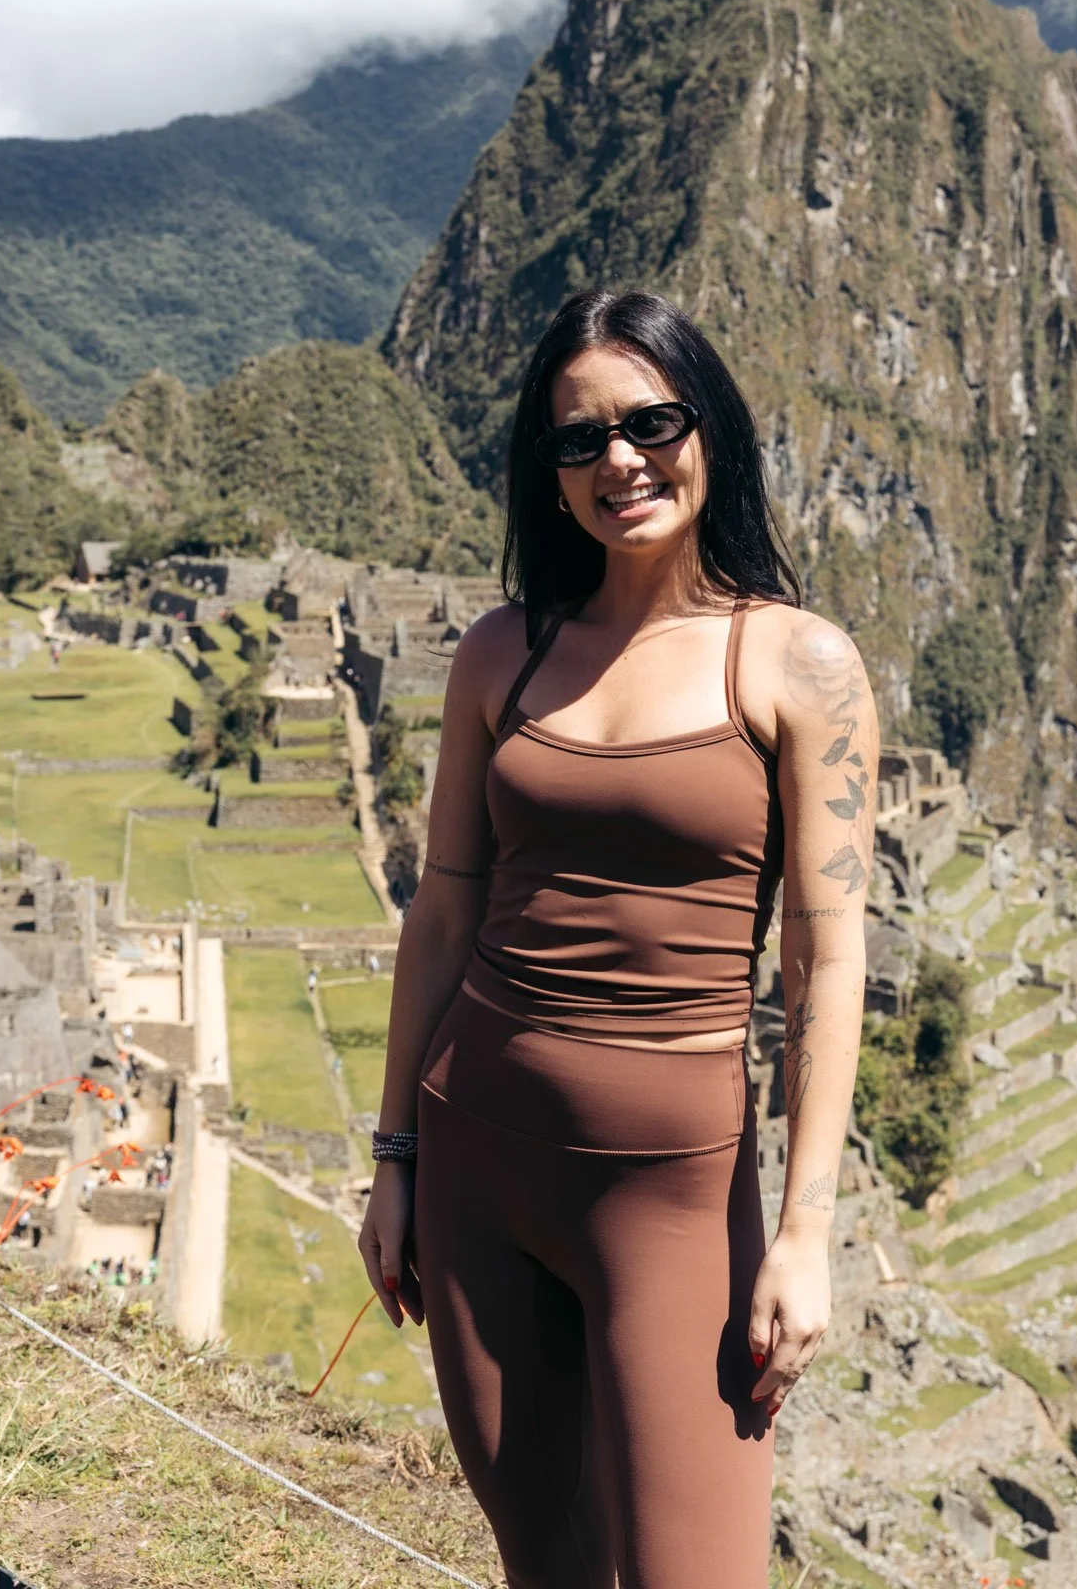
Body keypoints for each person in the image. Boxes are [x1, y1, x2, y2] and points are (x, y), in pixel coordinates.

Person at [358, 288, 876, 1589]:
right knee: (543, 1559)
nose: (619, 463)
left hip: (674, 1195)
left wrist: (807, 1234)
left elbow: (824, 965)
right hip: (477, 1151)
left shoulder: (795, 665)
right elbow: (444, 915)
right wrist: (395, 1160)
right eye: (579, 442)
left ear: (711, 427)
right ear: (550, 472)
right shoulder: (502, 657)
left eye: (651, 422)